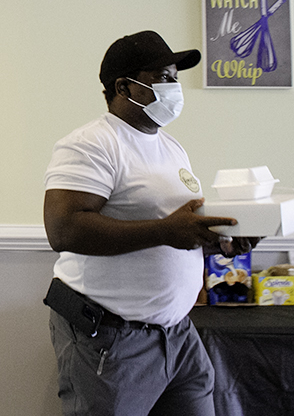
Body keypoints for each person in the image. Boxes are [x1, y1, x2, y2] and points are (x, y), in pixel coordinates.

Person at [42, 30, 257, 416]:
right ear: (124, 86)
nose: (175, 88)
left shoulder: (170, 146)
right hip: (112, 339)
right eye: (165, 77)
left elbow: (176, 226)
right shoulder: (92, 143)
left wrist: (219, 240)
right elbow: (63, 229)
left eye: (176, 77)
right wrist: (166, 232)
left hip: (177, 334)